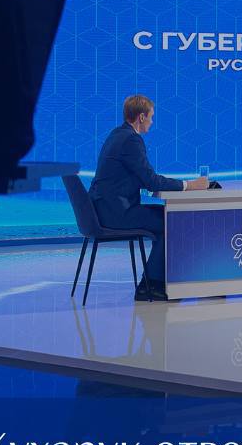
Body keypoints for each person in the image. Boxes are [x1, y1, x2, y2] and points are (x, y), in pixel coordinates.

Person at [89, 94, 208, 300]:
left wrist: (153, 182)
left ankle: (153, 281)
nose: (152, 122)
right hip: (117, 213)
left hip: (105, 209)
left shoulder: (118, 134)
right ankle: (150, 286)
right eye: (151, 117)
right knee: (173, 222)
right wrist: (190, 185)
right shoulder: (131, 140)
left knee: (169, 217)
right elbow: (151, 181)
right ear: (141, 117)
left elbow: (139, 176)